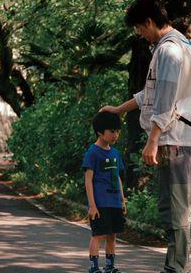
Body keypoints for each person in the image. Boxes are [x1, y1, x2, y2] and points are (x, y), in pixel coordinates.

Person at [100, 0, 191, 273]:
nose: (140, 35)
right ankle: (174, 266)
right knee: (170, 205)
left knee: (176, 207)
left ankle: (176, 268)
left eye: (140, 29)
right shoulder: (175, 45)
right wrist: (120, 109)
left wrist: (153, 140)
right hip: (174, 139)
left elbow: (166, 100)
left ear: (149, 21)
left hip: (173, 140)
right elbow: (151, 92)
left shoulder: (170, 51)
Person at [82, 111, 127, 273]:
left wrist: (122, 200)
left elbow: (118, 178)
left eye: (118, 131)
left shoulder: (115, 153)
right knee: (98, 235)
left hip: (114, 201)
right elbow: (88, 180)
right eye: (112, 131)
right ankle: (94, 268)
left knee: (113, 235)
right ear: (100, 132)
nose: (116, 135)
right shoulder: (92, 152)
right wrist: (92, 206)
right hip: (100, 202)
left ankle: (110, 267)